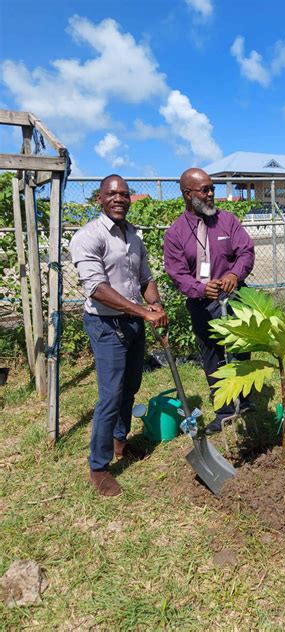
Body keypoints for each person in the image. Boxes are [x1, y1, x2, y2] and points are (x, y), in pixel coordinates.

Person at [70, 174, 168, 497]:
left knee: (131, 386)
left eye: (124, 194)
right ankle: (98, 467)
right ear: (100, 198)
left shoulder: (133, 237)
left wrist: (154, 303)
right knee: (110, 395)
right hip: (107, 325)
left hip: (133, 324)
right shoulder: (88, 237)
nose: (119, 198)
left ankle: (119, 442)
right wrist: (143, 311)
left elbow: (145, 278)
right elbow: (97, 289)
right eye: (112, 193)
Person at [164, 168, 255, 434]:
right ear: (187, 194)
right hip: (202, 303)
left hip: (236, 297)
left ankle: (246, 401)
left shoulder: (228, 221)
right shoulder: (176, 233)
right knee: (213, 354)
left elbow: (246, 252)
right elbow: (177, 273)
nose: (211, 194)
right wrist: (202, 289)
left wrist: (234, 274)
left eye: (212, 188)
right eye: (204, 190)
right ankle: (225, 409)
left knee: (241, 350)